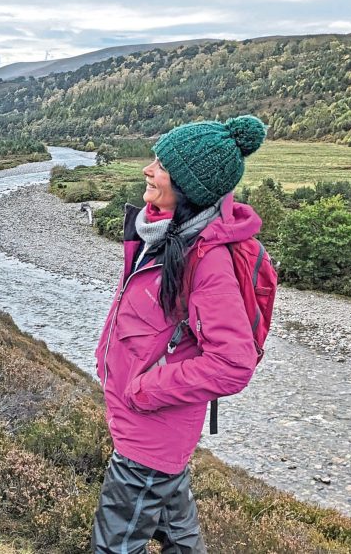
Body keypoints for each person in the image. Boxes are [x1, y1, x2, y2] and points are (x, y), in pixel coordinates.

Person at [92, 115, 267, 553]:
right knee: (179, 535)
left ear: (189, 187)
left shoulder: (206, 260)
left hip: (150, 432)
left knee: (114, 545)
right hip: (148, 425)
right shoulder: (164, 234)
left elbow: (233, 364)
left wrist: (145, 390)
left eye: (161, 165)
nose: (148, 170)